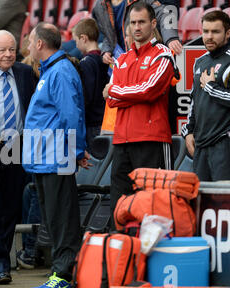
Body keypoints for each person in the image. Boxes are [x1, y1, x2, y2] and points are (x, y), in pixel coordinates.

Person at [22, 22, 90, 288]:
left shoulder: (60, 71)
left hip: (56, 159)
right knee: (53, 219)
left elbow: (71, 115)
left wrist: (74, 152)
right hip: (44, 159)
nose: (27, 46)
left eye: (29, 41)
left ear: (40, 44)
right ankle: (59, 273)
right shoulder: (51, 70)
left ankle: (63, 275)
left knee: (62, 220)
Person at [103, 1, 175, 225]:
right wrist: (124, 93)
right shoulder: (122, 59)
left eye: (142, 22)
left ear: (153, 24)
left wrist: (117, 90)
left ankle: (152, 255)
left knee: (152, 203)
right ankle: (121, 251)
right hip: (122, 140)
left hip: (151, 139)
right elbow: (111, 100)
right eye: (133, 22)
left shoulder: (163, 54)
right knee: (120, 204)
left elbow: (148, 90)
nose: (137, 27)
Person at [0, 30, 36, 284]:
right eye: (2, 50)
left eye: (12, 49)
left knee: (10, 209)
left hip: (16, 146)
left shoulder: (24, 73)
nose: (8, 54)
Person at [182, 10, 230, 181]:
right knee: (201, 202)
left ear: (228, 33)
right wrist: (188, 131)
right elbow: (194, 102)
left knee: (223, 202)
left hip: (223, 144)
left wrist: (210, 87)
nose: (209, 36)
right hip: (201, 145)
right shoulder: (200, 61)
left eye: (215, 32)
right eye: (205, 31)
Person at [92, 0, 182, 66]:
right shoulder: (99, 6)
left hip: (144, 59)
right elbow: (108, 34)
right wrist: (106, 51)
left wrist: (171, 38)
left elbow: (167, 13)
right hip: (121, 62)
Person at [72, 18, 109, 152]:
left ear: (83, 38)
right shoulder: (104, 58)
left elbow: (86, 96)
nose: (75, 45)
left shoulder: (86, 62)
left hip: (93, 123)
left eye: (76, 40)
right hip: (104, 119)